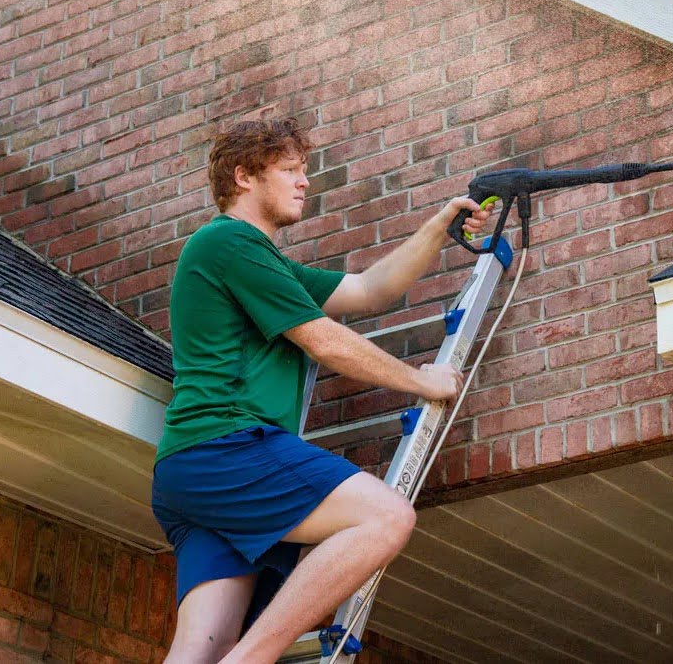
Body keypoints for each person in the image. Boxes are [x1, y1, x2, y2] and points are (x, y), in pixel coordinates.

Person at [149, 118, 493, 663]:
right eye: (289, 171)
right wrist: (422, 380)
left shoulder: (264, 264)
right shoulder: (228, 241)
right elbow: (325, 342)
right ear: (243, 177)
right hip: (227, 446)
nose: (304, 182)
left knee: (198, 651)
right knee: (385, 517)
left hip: (191, 473)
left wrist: (440, 224)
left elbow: (369, 289)